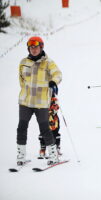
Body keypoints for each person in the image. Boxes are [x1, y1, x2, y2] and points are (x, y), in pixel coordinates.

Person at [17, 36, 62, 166]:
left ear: (41, 47)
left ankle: (53, 156)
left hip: (41, 102)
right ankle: (21, 156)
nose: (34, 49)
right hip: (25, 101)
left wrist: (53, 82)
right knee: (21, 128)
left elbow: (57, 74)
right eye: (31, 47)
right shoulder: (23, 62)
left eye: (36, 47)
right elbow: (21, 80)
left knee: (45, 129)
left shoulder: (48, 62)